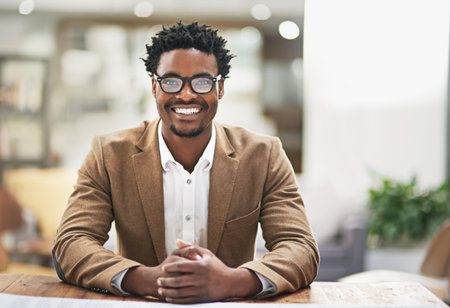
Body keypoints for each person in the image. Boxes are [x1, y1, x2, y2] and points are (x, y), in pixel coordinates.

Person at [52, 21, 319, 303]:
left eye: (202, 81)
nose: (187, 94)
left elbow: (300, 247)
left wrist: (233, 282)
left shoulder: (263, 155)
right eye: (171, 81)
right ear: (154, 86)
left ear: (221, 88)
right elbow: (71, 243)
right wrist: (148, 279)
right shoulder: (109, 154)